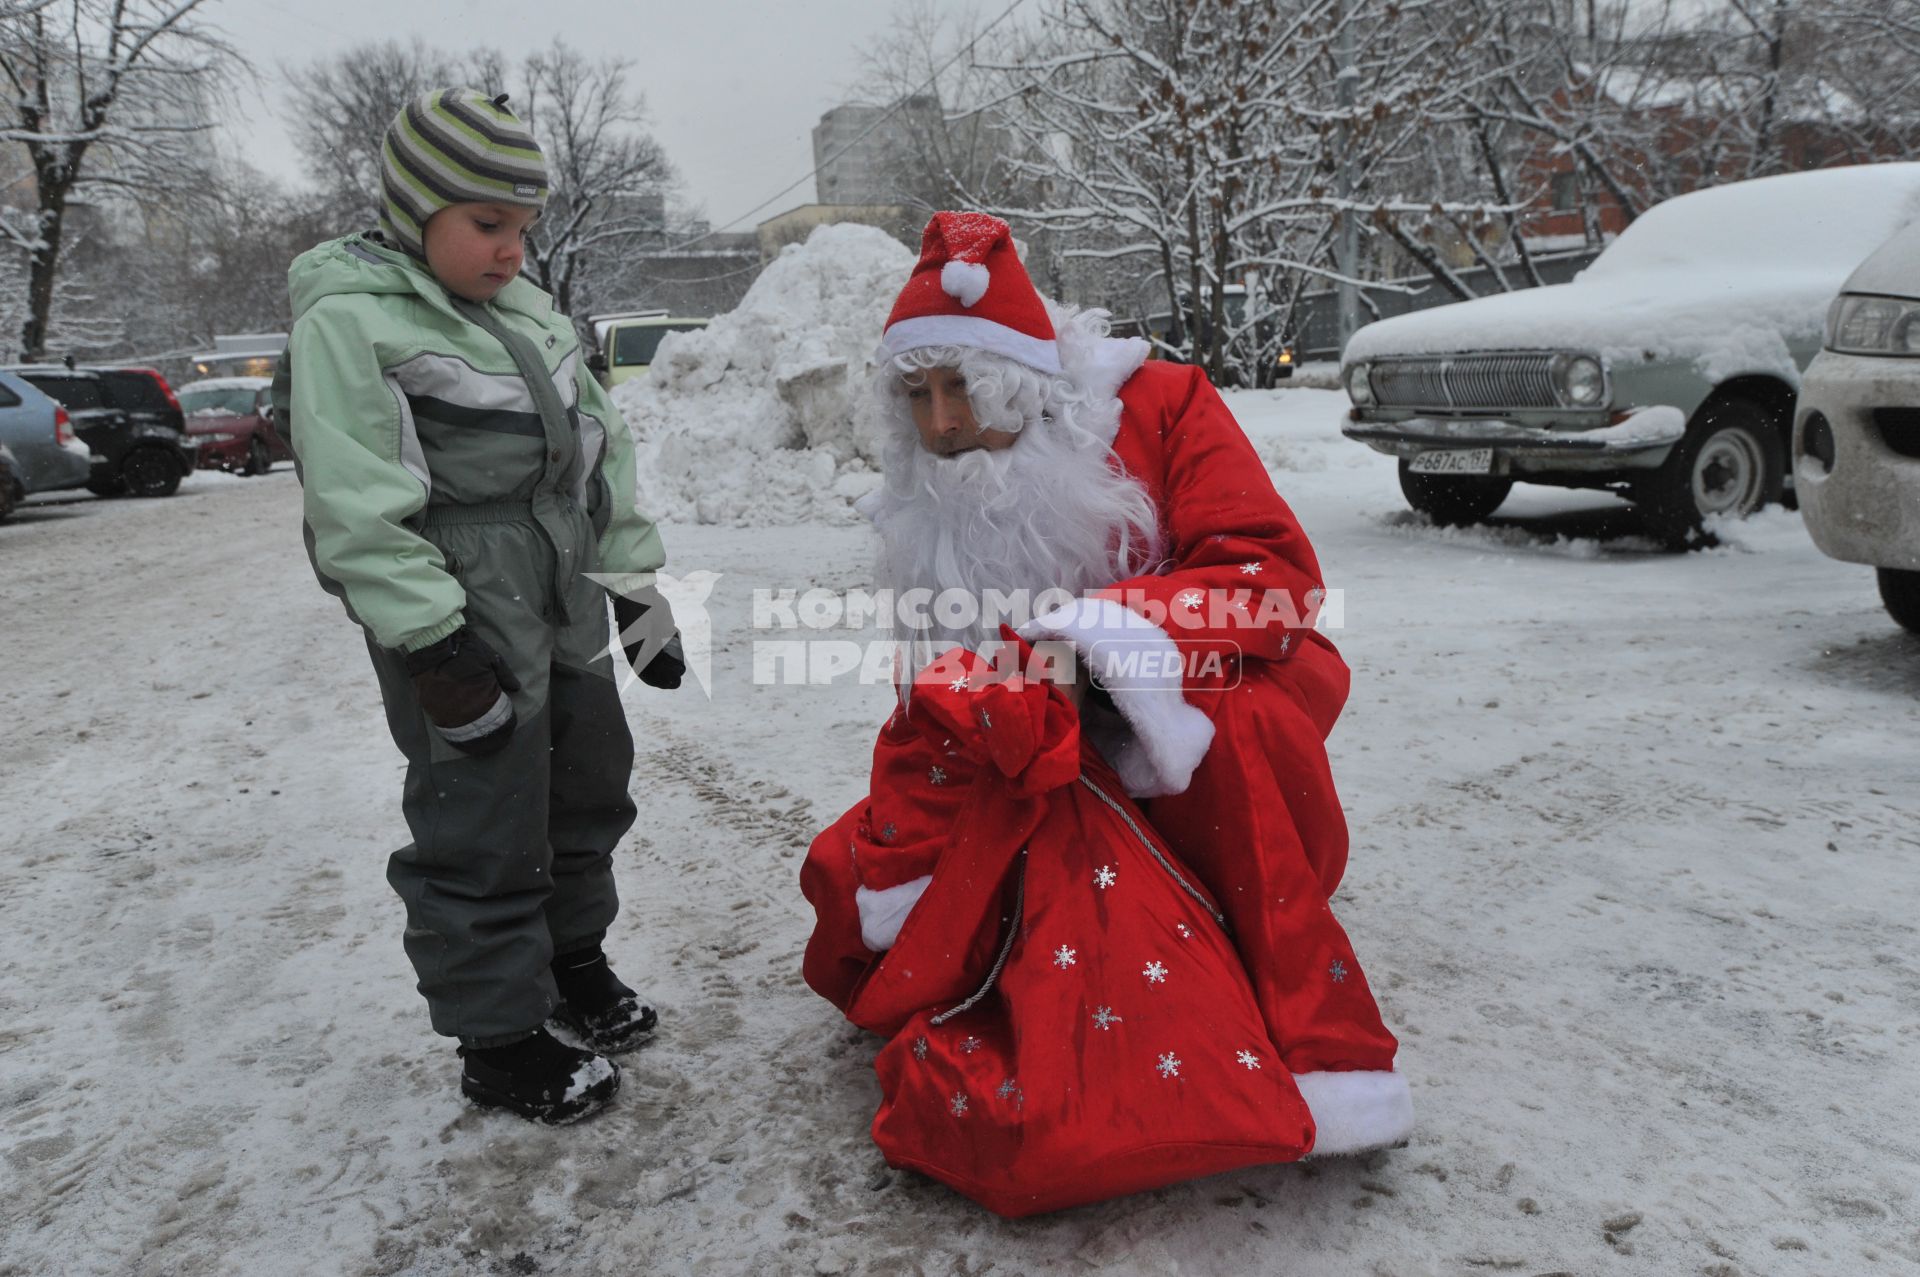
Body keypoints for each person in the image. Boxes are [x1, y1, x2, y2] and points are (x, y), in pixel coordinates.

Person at [802, 211, 1413, 1157]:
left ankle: (1299, 1022)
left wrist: (1096, 643)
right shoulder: (932, 482)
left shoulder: (1161, 403)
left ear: (1021, 376)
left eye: (960, 386)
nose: (942, 426)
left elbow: (1273, 578)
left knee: (1234, 718)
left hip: (1188, 700)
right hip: (1034, 732)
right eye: (915, 396)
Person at [276, 88, 685, 1125]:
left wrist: (639, 593)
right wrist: (431, 641)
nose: (510, 250)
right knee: (483, 815)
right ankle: (497, 1033)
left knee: (588, 788)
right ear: (416, 212)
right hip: (464, 601)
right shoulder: (354, 320)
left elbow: (601, 464)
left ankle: (572, 960)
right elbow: (356, 503)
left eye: (523, 229)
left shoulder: (533, 316)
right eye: (486, 225)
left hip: (564, 590)